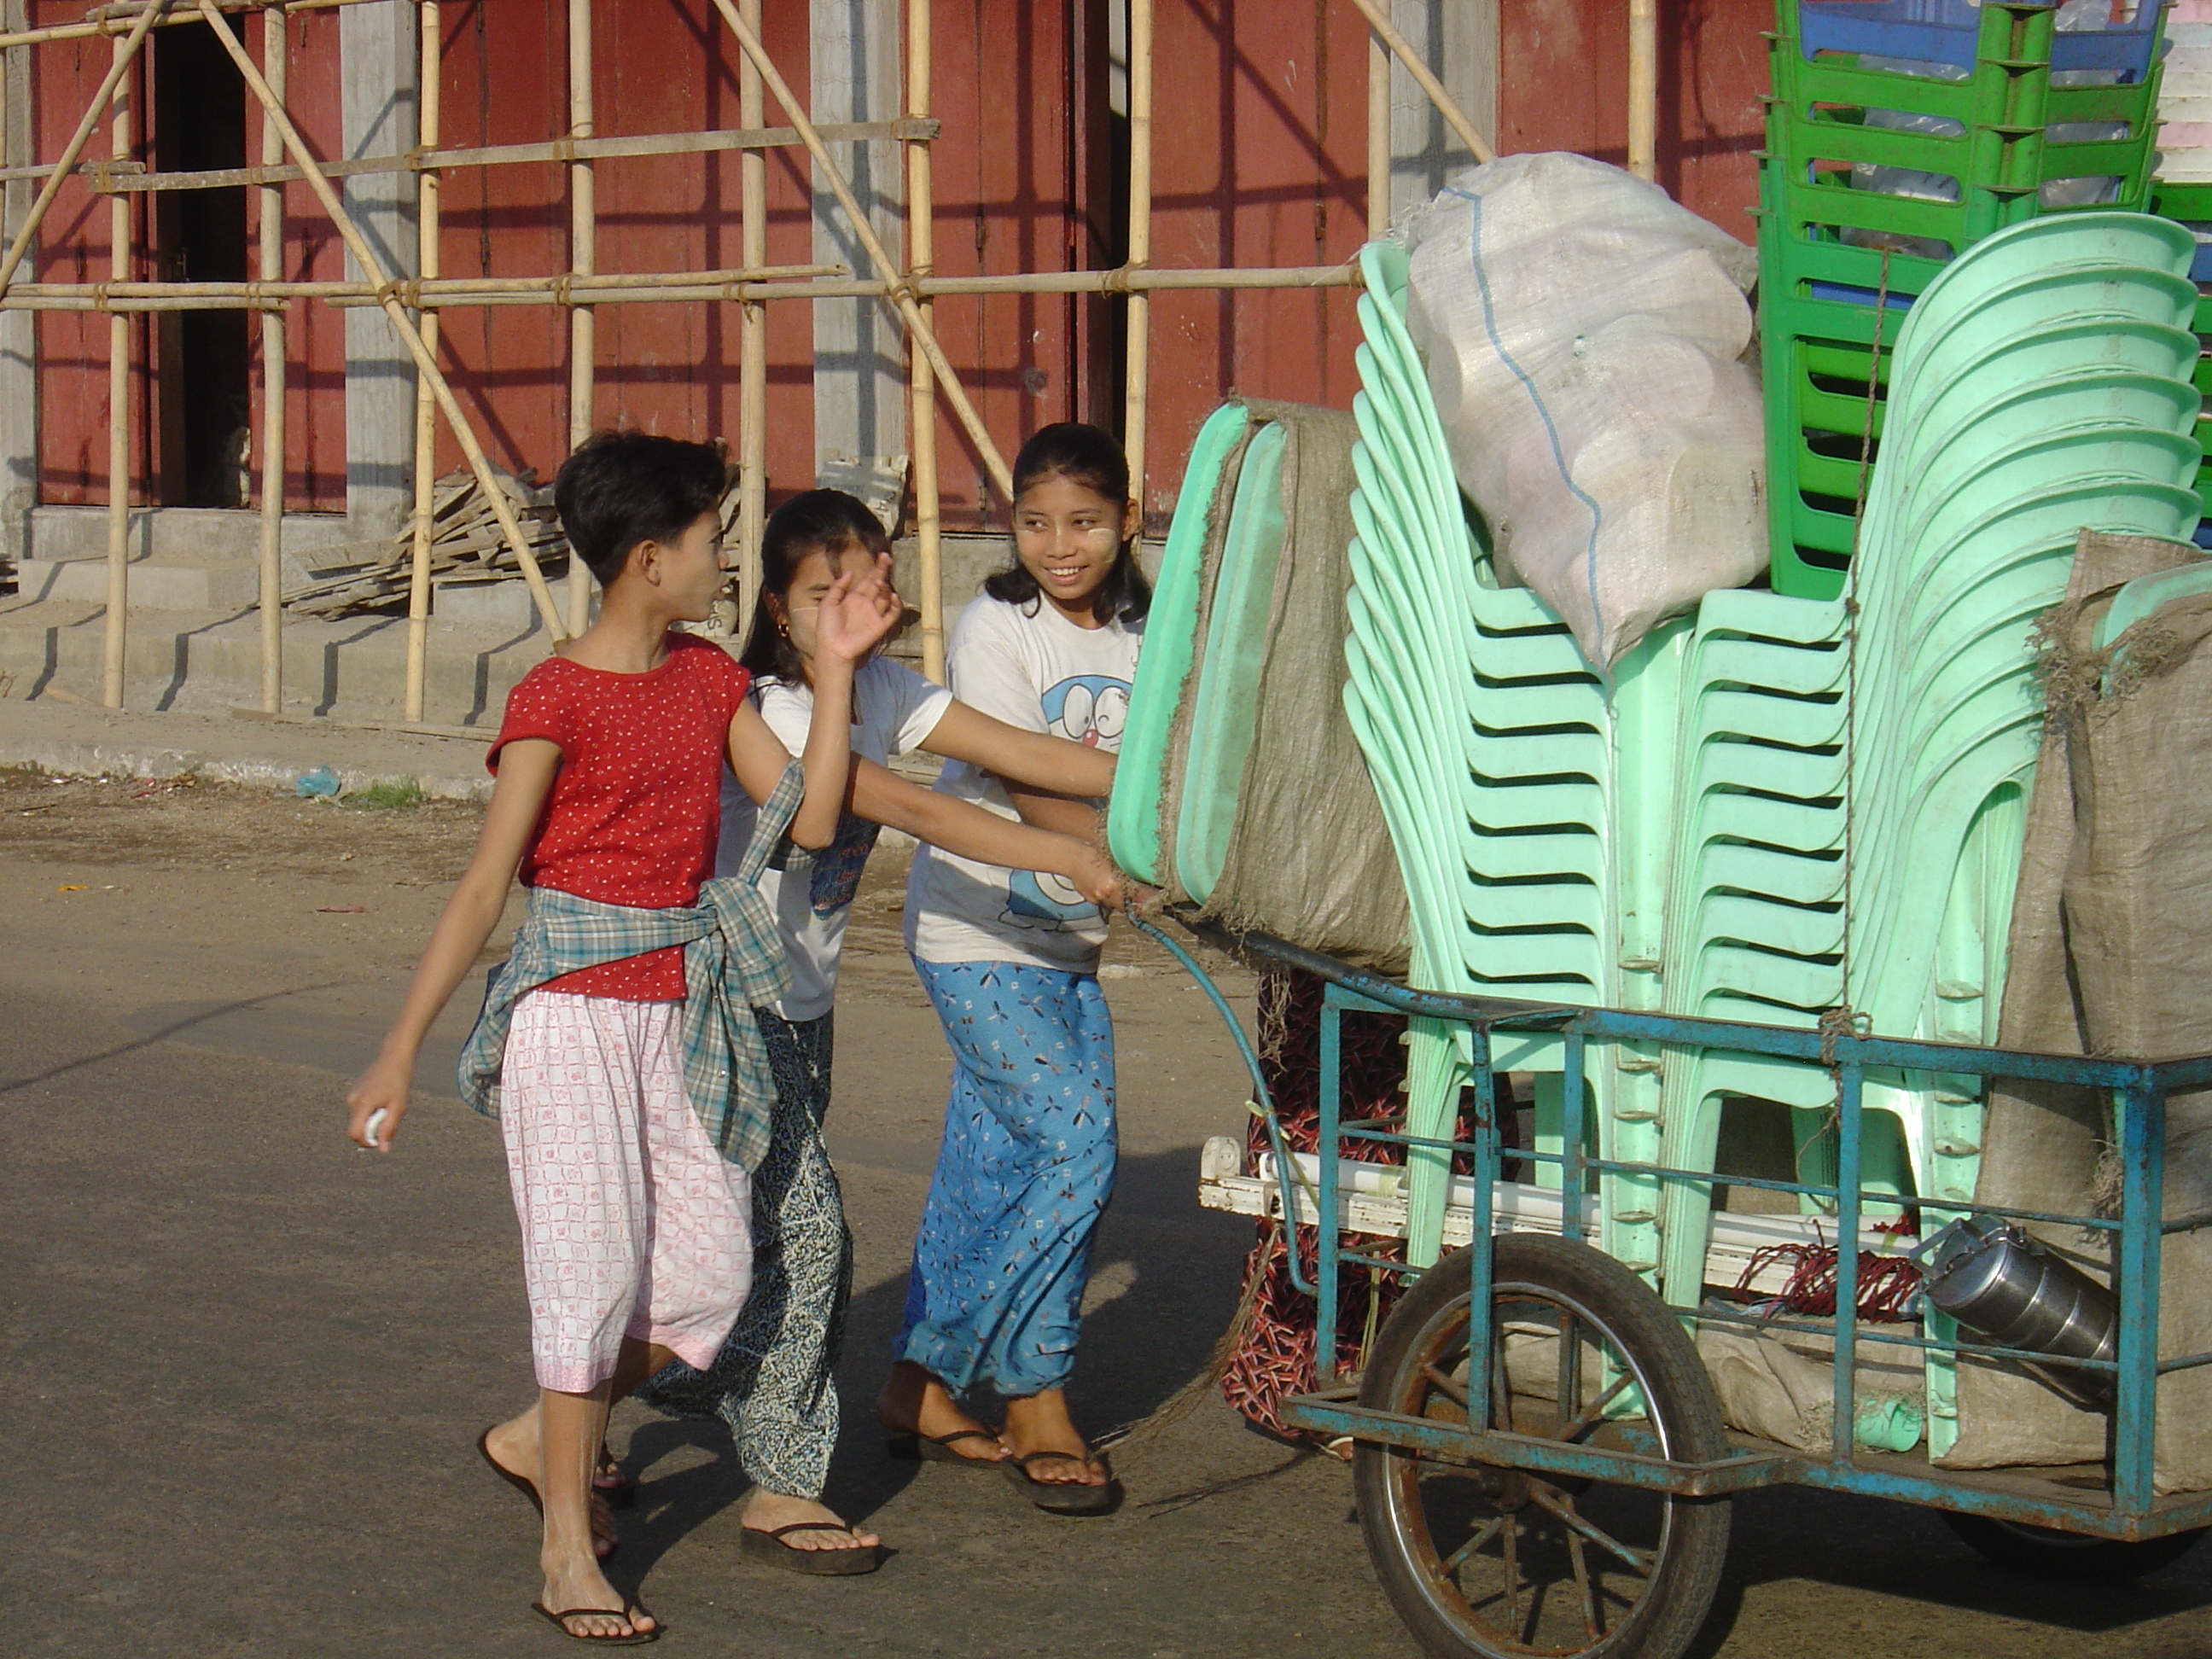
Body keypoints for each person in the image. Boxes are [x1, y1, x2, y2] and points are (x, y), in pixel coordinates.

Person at [343, 432, 899, 1644]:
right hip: (571, 1019)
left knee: (709, 1277)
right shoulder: (553, 696)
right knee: (588, 1275)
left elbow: (808, 822)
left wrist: (841, 667)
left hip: (685, 1013)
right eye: (712, 540)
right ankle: (563, 1551)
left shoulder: (707, 680)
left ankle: (542, 1434)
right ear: (651, 557)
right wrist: (399, 1047)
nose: (724, 560)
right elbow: (489, 884)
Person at [625, 487, 1127, 1567]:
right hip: (725, 1009)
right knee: (810, 1242)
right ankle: (782, 1491)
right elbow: (900, 812)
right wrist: (1072, 856)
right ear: (781, 606)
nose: (857, 603)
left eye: (871, 579)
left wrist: (1160, 790)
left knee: (733, 1253)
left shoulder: (887, 684)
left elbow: (1027, 756)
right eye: (826, 590)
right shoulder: (773, 709)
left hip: (805, 1015)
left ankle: (564, 1414)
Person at [883, 423, 1147, 1514]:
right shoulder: (997, 622)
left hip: (1074, 941)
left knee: (992, 1165)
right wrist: (1115, 857)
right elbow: (1027, 781)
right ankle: (1035, 1388)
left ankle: (917, 1381)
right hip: (976, 927)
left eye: (1084, 522)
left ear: (1126, 521)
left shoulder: (1153, 626)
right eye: (1035, 522)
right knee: (1079, 1144)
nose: (1060, 545)